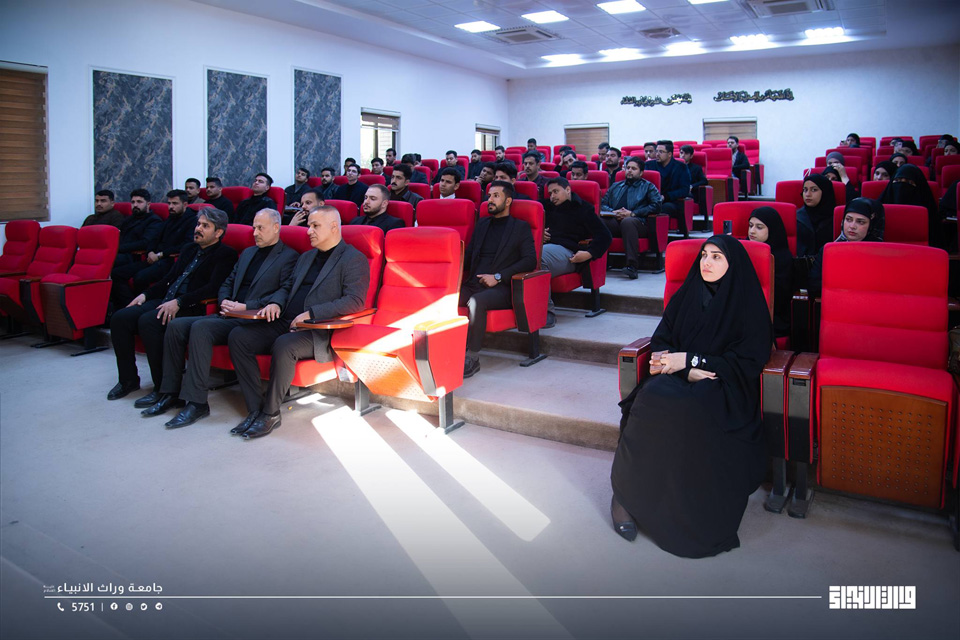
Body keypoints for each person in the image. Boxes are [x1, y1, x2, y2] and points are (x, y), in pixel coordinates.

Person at [610, 235, 773, 558]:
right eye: (703, 255)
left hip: (724, 384)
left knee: (694, 408)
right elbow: (661, 341)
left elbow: (748, 361)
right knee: (651, 398)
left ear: (732, 264)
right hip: (680, 377)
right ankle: (625, 497)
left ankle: (687, 514)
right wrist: (685, 371)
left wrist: (692, 361)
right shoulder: (687, 294)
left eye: (716, 257)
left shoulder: (747, 303)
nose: (706, 263)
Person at [225, 205, 369, 439]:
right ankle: (255, 409)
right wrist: (276, 303)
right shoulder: (306, 257)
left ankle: (270, 413)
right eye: (309, 225)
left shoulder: (353, 258)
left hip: (316, 330)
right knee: (238, 336)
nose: (308, 231)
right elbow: (287, 287)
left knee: (284, 344)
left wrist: (312, 313)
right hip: (285, 321)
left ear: (334, 227)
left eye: (315, 226)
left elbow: (355, 301)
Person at [143, 209, 299, 422]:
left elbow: (283, 292)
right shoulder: (248, 253)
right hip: (228, 313)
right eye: (254, 227)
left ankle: (197, 403)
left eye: (260, 228)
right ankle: (170, 393)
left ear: (276, 228)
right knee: (176, 326)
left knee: (201, 328)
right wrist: (225, 300)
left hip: (252, 319)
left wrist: (245, 306)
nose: (255, 233)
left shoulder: (289, 256)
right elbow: (228, 282)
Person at [107, 209, 237, 403]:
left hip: (192, 305)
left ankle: (163, 389)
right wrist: (145, 295)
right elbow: (169, 279)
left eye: (205, 226)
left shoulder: (226, 254)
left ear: (218, 232)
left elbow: (212, 288)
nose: (198, 229)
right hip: (168, 299)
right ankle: (128, 380)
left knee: (149, 322)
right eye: (198, 224)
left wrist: (179, 302)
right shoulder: (189, 249)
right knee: (120, 318)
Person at [461, 181, 537, 379]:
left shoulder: (520, 227)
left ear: (508, 201)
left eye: (496, 196)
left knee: (477, 302)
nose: (490, 200)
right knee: (444, 298)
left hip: (501, 287)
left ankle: (472, 357)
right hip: (473, 283)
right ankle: (442, 347)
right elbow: (469, 255)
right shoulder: (482, 224)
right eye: (489, 196)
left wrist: (498, 277)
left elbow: (530, 260)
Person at [541, 177, 612, 327]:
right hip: (545, 246)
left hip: (568, 252)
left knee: (539, 258)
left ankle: (546, 312)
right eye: (550, 193)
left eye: (556, 192)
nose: (552, 196)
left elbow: (605, 235)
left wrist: (589, 253)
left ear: (568, 190)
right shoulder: (545, 207)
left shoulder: (583, 208)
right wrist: (539, 233)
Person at [807, 199, 885, 299]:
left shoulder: (882, 255)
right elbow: (814, 285)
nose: (852, 226)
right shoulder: (829, 251)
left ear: (871, 225)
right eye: (848, 219)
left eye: (860, 222)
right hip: (835, 302)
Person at [127, 189, 198, 298]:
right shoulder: (171, 217)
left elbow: (186, 245)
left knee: (140, 277)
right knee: (120, 272)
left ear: (185, 205)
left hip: (171, 261)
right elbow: (155, 238)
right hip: (154, 257)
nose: (171, 207)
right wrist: (150, 251)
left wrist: (161, 254)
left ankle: (143, 302)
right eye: (169, 203)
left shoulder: (192, 220)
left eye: (175, 203)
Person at [601, 156, 663, 279]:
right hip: (616, 220)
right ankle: (601, 263)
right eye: (628, 168)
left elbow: (657, 205)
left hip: (639, 222)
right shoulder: (616, 186)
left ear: (641, 172)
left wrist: (633, 213)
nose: (629, 170)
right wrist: (613, 212)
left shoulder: (648, 186)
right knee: (600, 221)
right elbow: (602, 204)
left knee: (628, 222)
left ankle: (632, 266)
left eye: (633, 169)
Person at [110, 189, 163, 307]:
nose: (135, 205)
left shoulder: (154, 221)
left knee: (113, 270)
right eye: (133, 202)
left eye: (139, 202)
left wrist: (118, 248)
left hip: (137, 257)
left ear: (148, 204)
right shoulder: (129, 219)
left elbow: (145, 243)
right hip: (123, 253)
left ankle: (128, 306)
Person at [747, 207, 793, 338]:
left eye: (759, 227)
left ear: (772, 230)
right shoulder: (741, 250)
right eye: (750, 225)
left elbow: (779, 298)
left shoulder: (783, 258)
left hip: (772, 317)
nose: (752, 231)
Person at [879, 164, 944, 249]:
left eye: (909, 182)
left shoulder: (930, 214)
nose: (901, 186)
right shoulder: (879, 209)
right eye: (897, 181)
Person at [646, 140, 691, 237]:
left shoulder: (681, 167)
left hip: (672, 201)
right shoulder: (649, 165)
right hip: (650, 200)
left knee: (664, 208)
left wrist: (665, 196)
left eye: (661, 152)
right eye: (656, 151)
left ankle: (658, 238)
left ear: (669, 154)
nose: (657, 154)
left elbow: (684, 190)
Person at [795, 174, 836, 257]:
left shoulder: (837, 218)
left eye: (814, 190)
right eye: (805, 190)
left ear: (825, 192)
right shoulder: (796, 217)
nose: (807, 194)